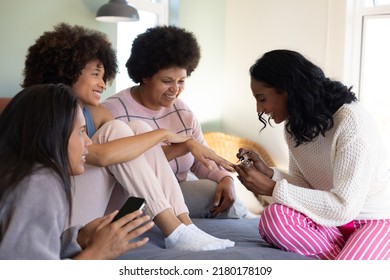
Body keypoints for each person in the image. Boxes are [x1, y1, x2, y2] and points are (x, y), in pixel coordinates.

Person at [21, 23, 234, 251]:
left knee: (136, 129)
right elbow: (100, 156)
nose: (103, 84)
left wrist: (192, 150)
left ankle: (185, 227)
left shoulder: (95, 112)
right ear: (67, 71)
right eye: (95, 75)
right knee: (118, 131)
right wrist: (162, 134)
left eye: (104, 76)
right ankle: (174, 230)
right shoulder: (43, 112)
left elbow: (135, 154)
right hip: (59, 214)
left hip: (97, 209)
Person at [233, 49, 390, 260]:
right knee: (274, 216)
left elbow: (344, 207)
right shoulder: (294, 126)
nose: (259, 109)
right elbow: (306, 183)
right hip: (330, 220)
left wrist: (272, 188)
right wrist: (270, 173)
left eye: (262, 99)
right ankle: (348, 255)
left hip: (374, 219)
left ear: (287, 90)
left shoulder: (352, 124)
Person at [103, 25, 247, 219]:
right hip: (131, 195)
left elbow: (200, 160)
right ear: (145, 76)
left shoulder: (183, 113)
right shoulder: (114, 111)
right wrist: (183, 146)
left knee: (228, 198)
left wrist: (225, 178)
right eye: (167, 81)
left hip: (178, 190)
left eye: (181, 81)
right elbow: (127, 166)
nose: (175, 89)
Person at [0, 84, 154, 259]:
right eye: (81, 131)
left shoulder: (17, 172)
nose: (89, 142)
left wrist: (78, 238)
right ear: (53, 133)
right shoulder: (39, 183)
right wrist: (98, 252)